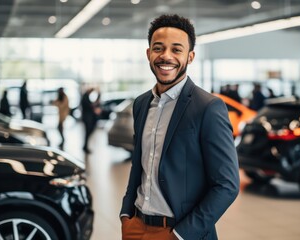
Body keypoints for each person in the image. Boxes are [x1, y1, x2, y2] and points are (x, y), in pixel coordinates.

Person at [120, 14, 240, 240]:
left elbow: (227, 185)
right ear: (148, 54)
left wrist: (181, 234)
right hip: (136, 226)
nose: (166, 56)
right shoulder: (141, 104)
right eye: (158, 48)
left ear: (190, 56)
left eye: (176, 49)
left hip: (179, 231)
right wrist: (126, 214)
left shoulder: (209, 108)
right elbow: (139, 164)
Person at [81, 88, 98, 153]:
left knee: (88, 132)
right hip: (87, 118)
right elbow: (88, 106)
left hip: (87, 118)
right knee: (88, 132)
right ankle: (85, 146)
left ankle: (85, 146)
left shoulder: (86, 97)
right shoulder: (85, 97)